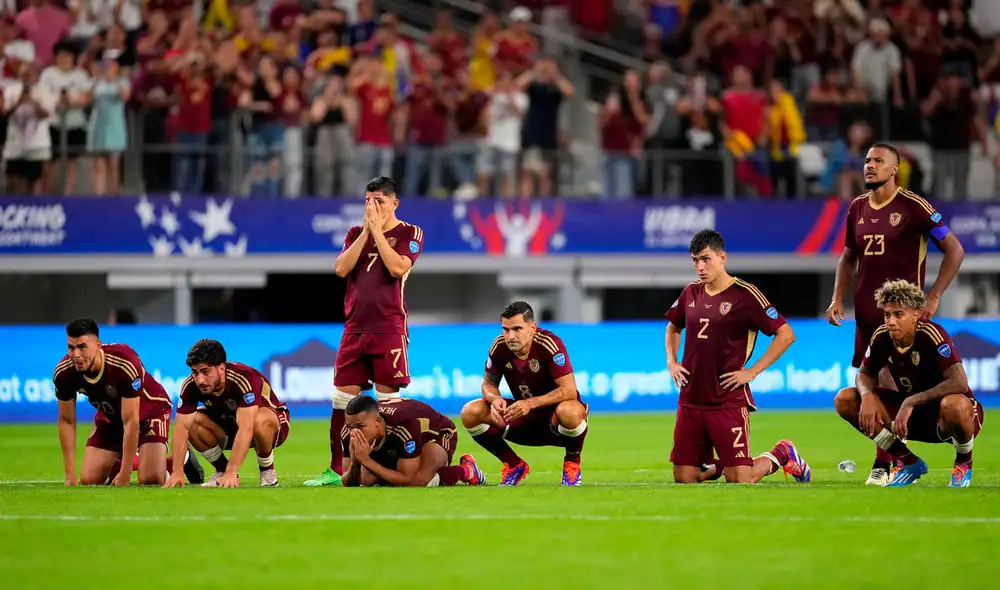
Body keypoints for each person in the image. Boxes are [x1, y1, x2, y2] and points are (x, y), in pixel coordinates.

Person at [826, 142, 965, 486]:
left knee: (890, 387)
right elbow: (847, 257)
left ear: (894, 170)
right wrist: (837, 298)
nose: (870, 166)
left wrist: (933, 298)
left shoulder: (914, 207)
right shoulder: (856, 208)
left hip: (902, 320)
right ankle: (901, 459)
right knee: (865, 394)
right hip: (866, 320)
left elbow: (955, 250)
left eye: (878, 161)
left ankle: (884, 464)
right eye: (867, 161)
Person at [304, 176, 425, 487]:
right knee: (340, 400)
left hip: (388, 329)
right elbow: (341, 269)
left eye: (379, 201)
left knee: (388, 405)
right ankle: (334, 470)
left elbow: (397, 268)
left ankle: (388, 464)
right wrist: (368, 231)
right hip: (355, 329)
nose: (372, 207)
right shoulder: (355, 233)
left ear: (394, 203)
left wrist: (379, 233)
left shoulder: (410, 233)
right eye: (368, 201)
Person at [665, 230, 811, 484]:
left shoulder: (746, 295)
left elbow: (786, 334)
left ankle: (783, 453)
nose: (700, 267)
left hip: (727, 400)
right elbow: (673, 327)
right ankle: (718, 466)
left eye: (706, 259)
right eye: (695, 260)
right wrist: (672, 361)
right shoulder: (690, 292)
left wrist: (752, 371)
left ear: (722, 257)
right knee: (684, 479)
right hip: (691, 399)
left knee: (741, 480)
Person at [833, 279, 983, 487]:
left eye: (898, 314)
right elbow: (864, 374)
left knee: (954, 404)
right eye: (887, 314)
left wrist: (910, 401)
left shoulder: (932, 335)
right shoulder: (881, 337)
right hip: (912, 418)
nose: (891, 321)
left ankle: (963, 462)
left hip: (949, 418)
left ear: (915, 314)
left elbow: (959, 382)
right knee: (845, 399)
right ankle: (908, 461)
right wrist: (867, 395)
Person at [53, 318, 202, 486]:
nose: (76, 355)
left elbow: (131, 420)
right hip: (111, 418)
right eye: (71, 348)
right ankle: (135, 459)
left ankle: (181, 458)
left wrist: (125, 473)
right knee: (90, 479)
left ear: (98, 345)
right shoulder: (64, 372)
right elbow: (66, 420)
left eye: (82, 347)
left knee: (150, 479)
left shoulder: (124, 362)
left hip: (150, 413)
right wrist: (69, 475)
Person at [460, 301, 590, 486]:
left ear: (532, 327)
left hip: (555, 420)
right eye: (506, 329)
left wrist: (530, 403)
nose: (510, 336)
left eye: (517, 329)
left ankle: (572, 464)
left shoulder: (549, 344)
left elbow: (568, 390)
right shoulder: (499, 346)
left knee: (570, 411)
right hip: (523, 416)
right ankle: (514, 465)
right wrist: (495, 399)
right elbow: (488, 384)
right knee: (470, 412)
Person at [166, 339, 291, 488]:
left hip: (271, 426)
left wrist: (233, 471)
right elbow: (181, 429)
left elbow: (246, 428)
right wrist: (177, 472)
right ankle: (221, 470)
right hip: (229, 425)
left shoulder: (245, 378)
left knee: (257, 421)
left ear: (221, 368)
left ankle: (267, 471)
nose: (200, 380)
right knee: (192, 421)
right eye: (195, 372)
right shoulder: (190, 386)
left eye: (206, 371)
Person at [342, 395, 485, 487]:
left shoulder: (404, 426)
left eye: (361, 426)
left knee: (419, 481)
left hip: (437, 434)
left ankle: (466, 471)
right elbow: (348, 481)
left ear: (378, 422)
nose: (354, 432)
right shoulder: (348, 431)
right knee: (366, 480)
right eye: (350, 427)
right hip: (399, 439)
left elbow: (408, 479)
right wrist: (356, 461)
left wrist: (366, 461)